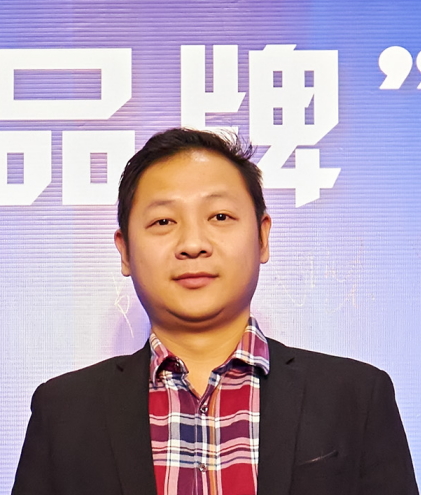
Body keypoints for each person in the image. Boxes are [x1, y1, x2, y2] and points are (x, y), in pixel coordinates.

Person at [12, 128, 419, 495]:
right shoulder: (63, 411)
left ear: (262, 237)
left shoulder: (357, 397)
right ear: (125, 251)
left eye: (220, 216)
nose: (193, 244)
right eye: (163, 221)